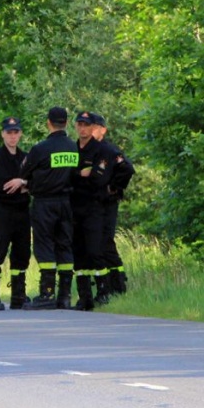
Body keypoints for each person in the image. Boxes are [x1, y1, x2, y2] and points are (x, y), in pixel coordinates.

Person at [5, 107, 78, 310]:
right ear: (66, 122)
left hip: (45, 203)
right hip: (66, 202)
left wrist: (29, 183)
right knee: (64, 245)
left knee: (44, 245)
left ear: (48, 123)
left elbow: (24, 172)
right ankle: (64, 295)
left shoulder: (41, 149)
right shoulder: (73, 148)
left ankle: (47, 294)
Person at [0, 117, 31, 311]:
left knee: (22, 254)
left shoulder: (27, 158)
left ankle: (18, 294)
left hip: (22, 213)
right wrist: (22, 185)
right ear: (3, 134)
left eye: (16, 132)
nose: (12, 136)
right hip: (3, 213)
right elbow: (0, 189)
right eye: (9, 132)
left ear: (20, 134)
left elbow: (35, 182)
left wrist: (22, 183)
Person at [70, 111, 114, 310]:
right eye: (79, 124)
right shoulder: (72, 149)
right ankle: (84, 296)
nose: (82, 128)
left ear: (92, 127)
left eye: (86, 125)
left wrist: (80, 175)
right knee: (78, 253)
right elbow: (68, 176)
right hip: (74, 207)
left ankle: (104, 292)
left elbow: (99, 178)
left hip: (94, 207)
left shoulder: (100, 149)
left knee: (95, 251)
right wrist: (81, 174)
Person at [91, 113, 135, 296]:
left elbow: (127, 168)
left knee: (105, 242)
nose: (90, 130)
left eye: (94, 127)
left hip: (106, 204)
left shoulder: (108, 150)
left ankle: (118, 284)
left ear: (103, 130)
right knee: (96, 244)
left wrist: (114, 188)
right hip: (91, 205)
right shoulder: (84, 149)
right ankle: (106, 285)